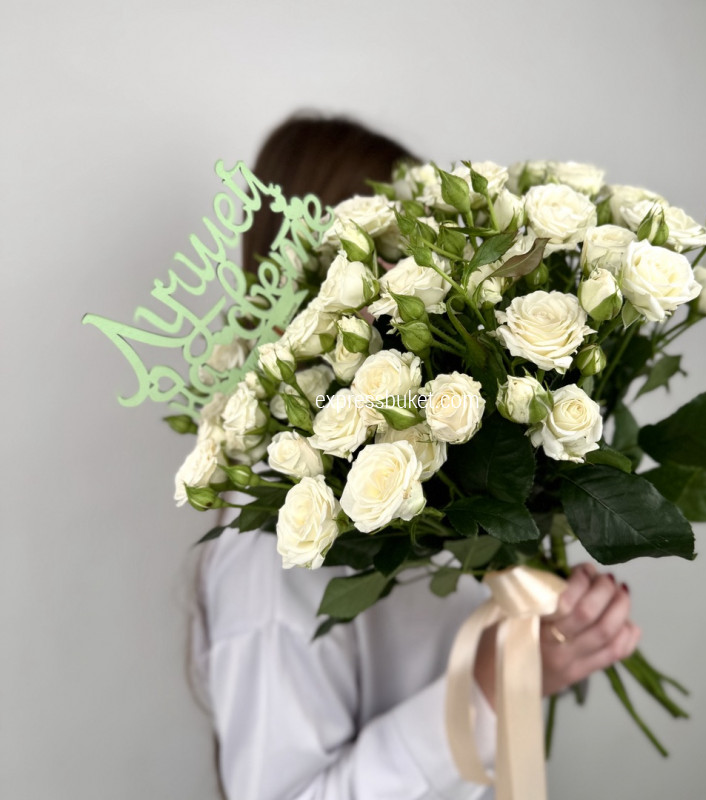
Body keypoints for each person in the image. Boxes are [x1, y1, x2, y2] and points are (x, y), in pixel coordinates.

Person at [191, 112, 641, 800]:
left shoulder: (435, 452)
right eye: (395, 249)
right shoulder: (275, 544)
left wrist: (549, 629)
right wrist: (491, 684)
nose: (426, 272)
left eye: (433, 241)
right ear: (313, 282)